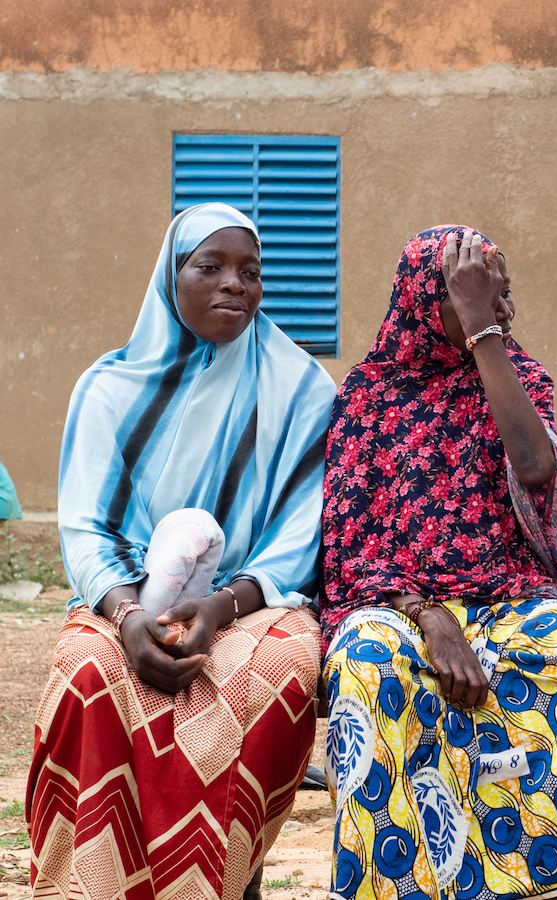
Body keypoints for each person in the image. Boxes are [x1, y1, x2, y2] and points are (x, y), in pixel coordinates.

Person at [320, 227, 557, 900]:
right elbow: (349, 554)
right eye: (474, 298)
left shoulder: (518, 379)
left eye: (503, 297)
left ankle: (551, 874)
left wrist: (484, 334)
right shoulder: (367, 397)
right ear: (425, 302)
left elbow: (536, 468)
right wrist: (428, 616)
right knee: (370, 675)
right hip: (394, 605)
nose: (502, 313)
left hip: (508, 594)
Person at [30, 203, 334, 899]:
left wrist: (223, 606)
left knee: (284, 667)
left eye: (251, 273)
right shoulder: (108, 390)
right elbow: (85, 528)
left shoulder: (301, 391)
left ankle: (225, 879)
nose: (235, 284)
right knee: (88, 669)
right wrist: (129, 616)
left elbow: (301, 533)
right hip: (127, 595)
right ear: (171, 278)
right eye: (211, 266)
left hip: (255, 598)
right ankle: (98, 883)